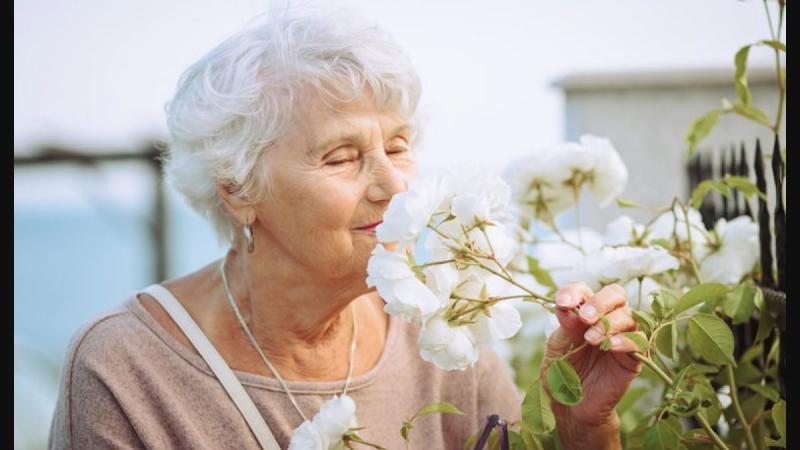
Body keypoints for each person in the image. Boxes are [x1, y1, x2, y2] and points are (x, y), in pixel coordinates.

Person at [48, 6, 642, 449]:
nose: (393, 184)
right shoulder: (124, 367)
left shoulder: (440, 333)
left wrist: (582, 428)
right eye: (341, 157)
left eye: (399, 146)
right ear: (237, 188)